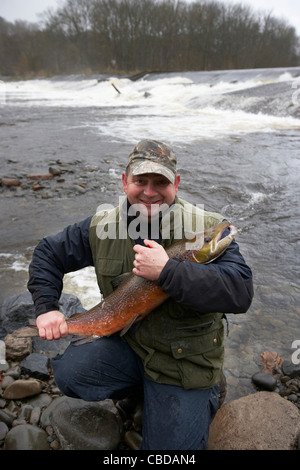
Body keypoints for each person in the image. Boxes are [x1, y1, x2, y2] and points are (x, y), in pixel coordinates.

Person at [27, 139, 253, 450]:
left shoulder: (207, 227)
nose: (149, 192)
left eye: (160, 182)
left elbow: (240, 292)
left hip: (184, 363)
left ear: (176, 184)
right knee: (70, 372)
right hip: (131, 346)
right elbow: (47, 253)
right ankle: (138, 391)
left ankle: (207, 390)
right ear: (124, 182)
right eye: (140, 181)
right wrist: (46, 308)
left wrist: (167, 272)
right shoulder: (100, 226)